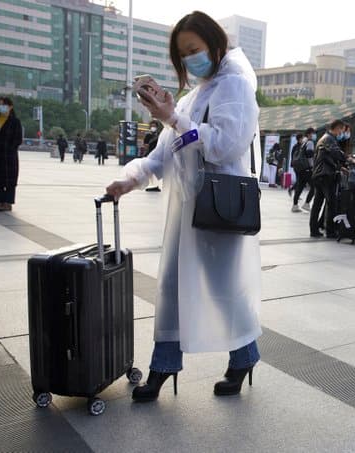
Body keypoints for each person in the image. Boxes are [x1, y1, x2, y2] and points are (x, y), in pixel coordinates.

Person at [105, 10, 261, 401]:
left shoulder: (235, 85)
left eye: (195, 49)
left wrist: (174, 118)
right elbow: (163, 156)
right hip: (186, 209)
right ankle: (163, 365)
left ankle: (244, 357)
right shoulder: (193, 97)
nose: (191, 59)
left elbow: (226, 145)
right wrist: (130, 179)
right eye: (183, 54)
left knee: (224, 287)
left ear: (215, 43)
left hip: (219, 205)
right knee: (172, 286)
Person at [309, 119, 348, 238]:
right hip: (326, 176)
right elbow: (336, 153)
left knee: (318, 203)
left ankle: (314, 229)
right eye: (341, 130)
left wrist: (340, 167)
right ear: (337, 128)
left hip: (319, 175)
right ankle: (330, 231)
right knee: (331, 203)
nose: (341, 132)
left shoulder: (324, 138)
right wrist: (347, 158)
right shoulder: (329, 139)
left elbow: (327, 158)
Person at [143, 120, 162, 191]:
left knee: (155, 171)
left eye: (154, 126)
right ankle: (151, 184)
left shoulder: (159, 135)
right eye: (152, 126)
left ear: (157, 127)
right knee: (149, 171)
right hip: (149, 155)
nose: (153, 127)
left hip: (157, 156)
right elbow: (145, 145)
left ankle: (155, 185)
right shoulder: (148, 135)